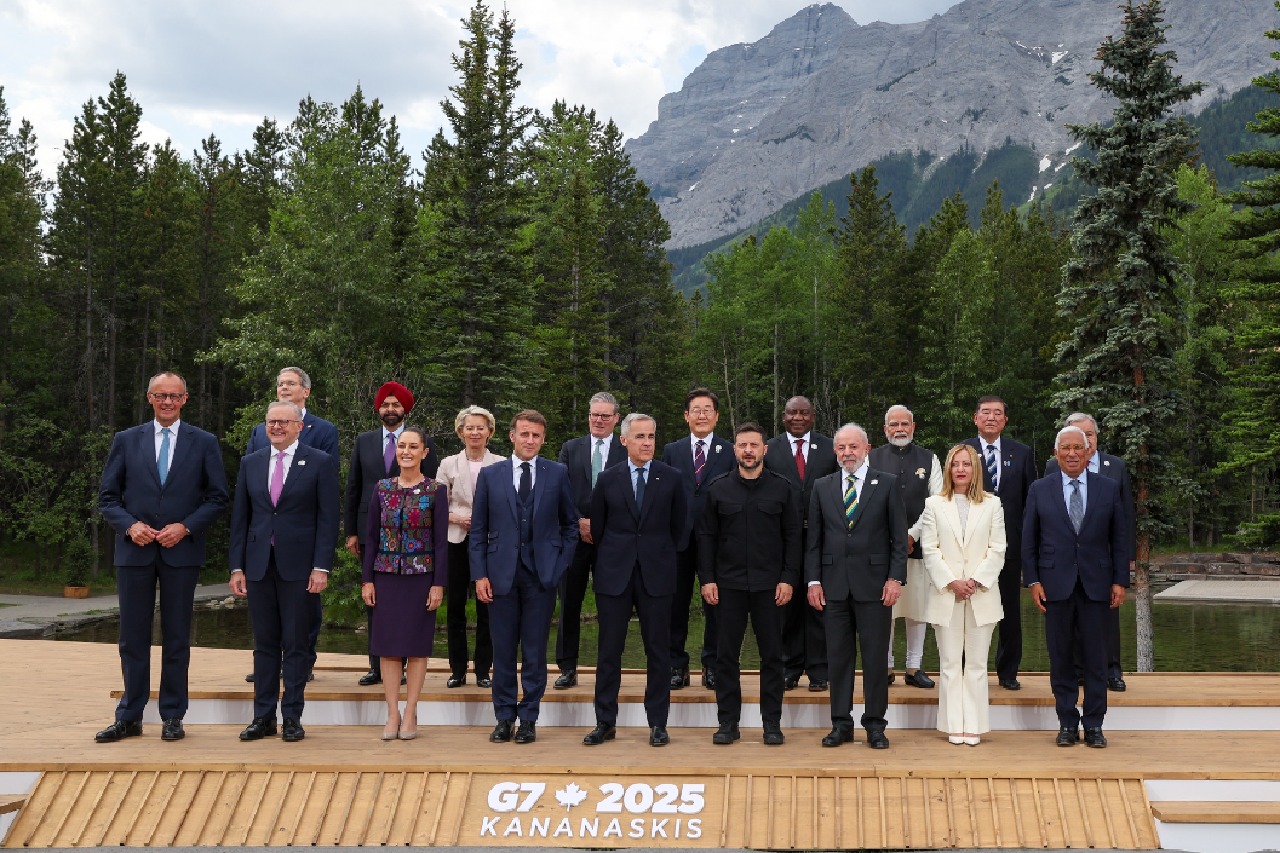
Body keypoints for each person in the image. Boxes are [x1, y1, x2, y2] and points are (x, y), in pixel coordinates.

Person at [96, 371, 229, 743]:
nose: (167, 402)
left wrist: (185, 527)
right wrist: (129, 526)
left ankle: (172, 715)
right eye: (160, 395)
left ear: (185, 399)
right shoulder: (126, 440)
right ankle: (129, 717)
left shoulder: (204, 442)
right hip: (134, 552)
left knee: (177, 638)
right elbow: (108, 498)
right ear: (149, 398)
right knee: (132, 639)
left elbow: (218, 497)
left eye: (174, 396)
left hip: (180, 553)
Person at [229, 401, 339, 743]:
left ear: (299, 426)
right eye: (271, 421)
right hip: (258, 565)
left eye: (283, 422)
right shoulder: (251, 462)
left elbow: (328, 519)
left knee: (295, 644)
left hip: (300, 567)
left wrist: (321, 566)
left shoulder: (319, 462)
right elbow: (241, 519)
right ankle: (262, 717)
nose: (276, 427)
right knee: (264, 644)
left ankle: (292, 717)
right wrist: (237, 566)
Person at [469, 410, 578, 745]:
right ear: (512, 436)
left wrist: (558, 567)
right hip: (499, 576)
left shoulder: (557, 473)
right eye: (525, 434)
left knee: (534, 652)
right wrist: (479, 575)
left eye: (536, 436)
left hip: (541, 578)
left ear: (543, 439)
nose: (530, 441)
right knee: (502, 651)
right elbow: (478, 530)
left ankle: (529, 718)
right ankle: (504, 717)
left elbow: (570, 526)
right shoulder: (491, 475)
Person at [585, 413, 688, 748]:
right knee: (608, 651)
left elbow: (679, 528)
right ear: (624, 440)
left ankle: (657, 723)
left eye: (651, 436)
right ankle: (605, 722)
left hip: (657, 575)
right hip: (615, 574)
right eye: (640, 437)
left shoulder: (671, 478)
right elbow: (599, 528)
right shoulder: (608, 479)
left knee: (658, 651)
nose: (647, 443)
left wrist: (657, 554)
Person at [1024, 425, 1129, 748]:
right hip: (1054, 585)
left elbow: (1120, 538)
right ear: (1056, 454)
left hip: (1097, 585)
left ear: (1088, 453)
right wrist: (1033, 580)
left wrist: (1120, 580)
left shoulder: (1107, 488)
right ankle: (1067, 723)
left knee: (1096, 659)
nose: (1071, 453)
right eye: (1065, 448)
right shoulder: (1040, 489)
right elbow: (1029, 540)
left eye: (1077, 448)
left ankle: (1094, 725)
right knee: (1061, 658)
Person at [697, 422, 801, 745]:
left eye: (754, 445)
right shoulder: (718, 489)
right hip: (727, 586)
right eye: (743, 445)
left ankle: (772, 723)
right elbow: (706, 538)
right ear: (735, 450)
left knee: (773, 657)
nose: (748, 451)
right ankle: (728, 723)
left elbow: (793, 538)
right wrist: (707, 579)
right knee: (726, 657)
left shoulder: (782, 489)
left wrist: (788, 578)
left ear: (764, 450)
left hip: (770, 587)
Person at [805, 423, 907, 750]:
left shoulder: (887, 484)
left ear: (866, 449)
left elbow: (898, 538)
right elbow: (814, 540)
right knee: (838, 659)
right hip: (833, 587)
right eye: (841, 448)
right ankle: (841, 724)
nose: (847, 453)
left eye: (853, 447)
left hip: (875, 587)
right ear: (835, 452)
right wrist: (813, 580)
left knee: (875, 660)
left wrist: (895, 578)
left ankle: (875, 725)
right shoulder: (822, 486)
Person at [243, 367, 338, 685]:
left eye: (291, 383)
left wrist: (321, 560)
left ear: (305, 391)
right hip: (263, 544)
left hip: (301, 542)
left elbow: (326, 497)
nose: (284, 387)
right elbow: (252, 487)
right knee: (265, 618)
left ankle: (302, 662)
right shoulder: (260, 431)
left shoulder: (323, 430)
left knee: (303, 613)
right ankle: (267, 664)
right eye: (280, 383)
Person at [345, 381, 439, 686]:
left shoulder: (421, 443)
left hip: (415, 539)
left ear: (404, 409)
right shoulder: (364, 441)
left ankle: (407, 665)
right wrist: (351, 531)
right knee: (376, 602)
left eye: (395, 405)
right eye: (385, 405)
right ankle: (377, 666)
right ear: (378, 409)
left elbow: (431, 487)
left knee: (412, 607)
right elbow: (354, 487)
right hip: (372, 533)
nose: (390, 409)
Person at [361, 426, 448, 740]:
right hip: (385, 576)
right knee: (388, 648)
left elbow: (441, 543)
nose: (406, 452)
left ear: (424, 452)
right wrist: (367, 580)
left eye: (413, 447)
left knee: (416, 648)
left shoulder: (436, 490)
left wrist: (438, 584)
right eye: (402, 446)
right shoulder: (382, 488)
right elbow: (371, 538)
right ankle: (392, 712)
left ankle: (411, 711)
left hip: (421, 578)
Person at [919, 444, 1006, 746]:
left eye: (966, 464)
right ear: (948, 468)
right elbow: (930, 549)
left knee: (978, 665)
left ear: (975, 469)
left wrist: (976, 580)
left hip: (982, 594)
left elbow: (998, 548)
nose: (960, 469)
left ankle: (975, 725)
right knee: (950, 664)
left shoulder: (993, 505)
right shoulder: (934, 504)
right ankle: (954, 725)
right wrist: (952, 581)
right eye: (955, 464)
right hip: (947, 594)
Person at [1045, 412, 1135, 692]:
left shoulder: (1115, 466)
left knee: (1108, 618)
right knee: (1070, 619)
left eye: (1089, 435)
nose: (1085, 440)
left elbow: (1126, 517)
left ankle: (1112, 670)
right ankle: (1078, 671)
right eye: (1077, 434)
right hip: (1067, 561)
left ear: (1095, 438)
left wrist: (1126, 560)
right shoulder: (1053, 466)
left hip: (1103, 559)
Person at [763, 395, 838, 692]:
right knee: (787, 603)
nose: (798, 418)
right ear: (783, 417)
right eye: (792, 413)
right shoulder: (770, 449)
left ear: (813, 417)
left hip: (822, 536)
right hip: (783, 537)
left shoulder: (829, 447)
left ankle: (819, 670)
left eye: (804, 413)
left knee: (819, 602)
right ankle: (789, 667)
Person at [962, 396, 1037, 691]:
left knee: (1008, 609)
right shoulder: (963, 451)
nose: (991, 417)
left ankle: (1007, 672)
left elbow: (1031, 502)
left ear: (1005, 420)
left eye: (997, 413)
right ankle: (968, 669)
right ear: (975, 418)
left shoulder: (1022, 452)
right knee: (969, 609)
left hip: (1010, 545)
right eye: (985, 413)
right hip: (970, 545)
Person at [661, 388, 734, 690]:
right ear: (686, 416)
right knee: (675, 605)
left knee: (716, 606)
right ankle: (676, 665)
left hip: (717, 541)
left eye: (707, 410)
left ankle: (712, 665)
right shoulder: (672, 451)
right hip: (678, 540)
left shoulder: (729, 451)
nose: (701, 415)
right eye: (696, 410)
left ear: (716, 416)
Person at [554, 392, 628, 688]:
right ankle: (567, 667)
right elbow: (559, 490)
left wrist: (602, 524)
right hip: (574, 537)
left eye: (605, 415)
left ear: (616, 419)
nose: (598, 420)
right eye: (594, 414)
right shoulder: (571, 448)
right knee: (569, 604)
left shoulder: (626, 450)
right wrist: (579, 522)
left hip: (611, 540)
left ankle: (608, 668)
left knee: (611, 606)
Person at [869, 404, 943, 689]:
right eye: (894, 424)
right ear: (885, 429)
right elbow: (867, 500)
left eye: (904, 424)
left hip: (918, 546)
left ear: (913, 427)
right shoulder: (872, 458)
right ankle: (885, 666)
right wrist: (893, 539)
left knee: (917, 608)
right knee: (886, 607)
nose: (899, 429)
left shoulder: (929, 458)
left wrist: (912, 535)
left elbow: (936, 502)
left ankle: (914, 667)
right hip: (882, 546)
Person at [435, 406, 503, 689]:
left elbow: (507, 504)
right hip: (456, 539)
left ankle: (484, 669)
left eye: (480, 428)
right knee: (456, 608)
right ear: (460, 431)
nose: (475, 432)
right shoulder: (447, 464)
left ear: (490, 432)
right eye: (469, 428)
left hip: (490, 542)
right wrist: (457, 518)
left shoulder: (501, 463)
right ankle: (458, 670)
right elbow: (438, 505)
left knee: (488, 606)